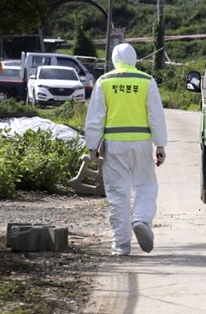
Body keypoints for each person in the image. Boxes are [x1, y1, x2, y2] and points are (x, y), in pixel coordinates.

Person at [85, 43, 167, 256]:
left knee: (118, 193)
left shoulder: (104, 81)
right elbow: (156, 116)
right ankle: (141, 219)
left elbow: (96, 118)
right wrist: (160, 145)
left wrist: (92, 146)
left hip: (114, 145)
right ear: (134, 59)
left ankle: (121, 245)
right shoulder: (146, 81)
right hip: (141, 143)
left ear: (113, 59)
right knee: (146, 185)